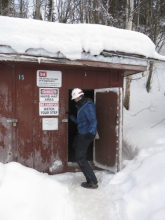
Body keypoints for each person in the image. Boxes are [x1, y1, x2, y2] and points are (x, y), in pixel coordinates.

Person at [70, 88, 98, 189]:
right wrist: (71, 117)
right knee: (78, 156)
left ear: (81, 97)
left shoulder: (88, 106)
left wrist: (91, 133)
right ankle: (90, 180)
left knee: (81, 158)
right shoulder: (81, 107)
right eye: (75, 99)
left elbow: (93, 121)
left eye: (76, 98)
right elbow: (80, 122)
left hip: (86, 134)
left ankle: (92, 181)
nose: (75, 100)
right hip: (81, 133)